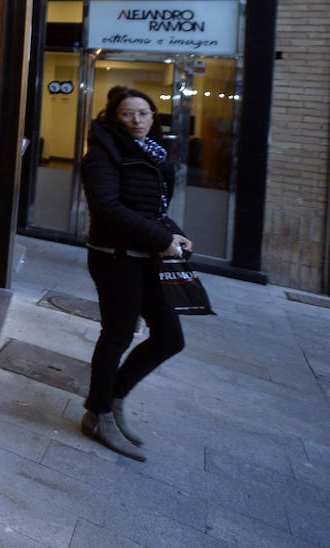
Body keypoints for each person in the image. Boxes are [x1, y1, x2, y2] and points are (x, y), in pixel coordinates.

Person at [78, 85, 191, 461]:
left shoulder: (153, 155)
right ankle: (98, 414)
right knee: (117, 335)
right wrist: (161, 238)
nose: (137, 121)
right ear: (114, 117)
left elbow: (151, 208)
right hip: (115, 257)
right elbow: (108, 208)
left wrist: (174, 233)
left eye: (143, 113)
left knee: (170, 337)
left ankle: (113, 398)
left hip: (147, 255)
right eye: (127, 114)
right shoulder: (102, 155)